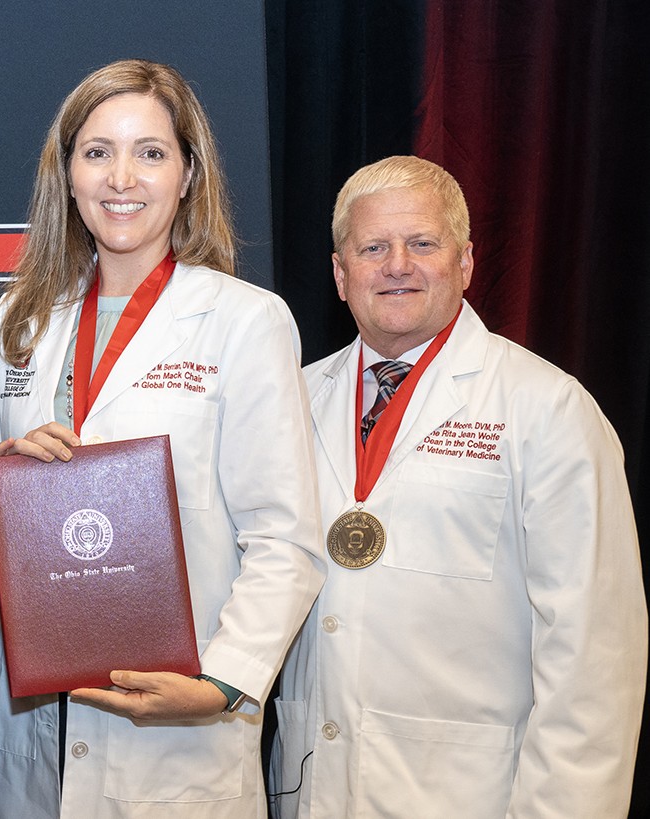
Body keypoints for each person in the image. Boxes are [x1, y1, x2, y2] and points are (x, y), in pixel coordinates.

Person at [0, 59, 325, 818]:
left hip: (178, 732)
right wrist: (3, 477)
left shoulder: (244, 321)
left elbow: (285, 536)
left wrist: (221, 681)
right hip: (38, 729)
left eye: (150, 153)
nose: (121, 178)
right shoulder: (21, 319)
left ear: (188, 174)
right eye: (97, 152)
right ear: (67, 174)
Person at [269, 155, 647, 818]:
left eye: (422, 243)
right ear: (340, 273)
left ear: (466, 262)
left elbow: (593, 652)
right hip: (312, 787)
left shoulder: (547, 408)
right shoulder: (289, 399)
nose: (397, 265)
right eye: (373, 248)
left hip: (472, 794)